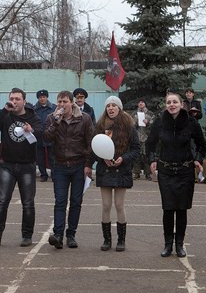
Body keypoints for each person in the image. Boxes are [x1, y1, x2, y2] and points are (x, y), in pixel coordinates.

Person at [146, 92, 205, 258]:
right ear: (166, 105)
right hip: (166, 171)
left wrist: (198, 159)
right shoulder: (160, 122)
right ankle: (167, 245)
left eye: (175, 102)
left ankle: (179, 245)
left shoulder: (191, 122)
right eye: (169, 102)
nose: (172, 105)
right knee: (168, 208)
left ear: (181, 104)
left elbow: (202, 144)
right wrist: (152, 160)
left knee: (181, 209)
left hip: (185, 171)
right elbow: (150, 144)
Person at [0, 88, 41, 247]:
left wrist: (32, 130)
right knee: (2, 201)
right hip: (7, 165)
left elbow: (42, 132)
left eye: (17, 99)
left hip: (27, 165)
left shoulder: (32, 116)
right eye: (12, 98)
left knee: (28, 203)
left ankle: (27, 236)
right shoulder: (6, 114)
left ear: (24, 101)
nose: (14, 102)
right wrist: (4, 110)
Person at [43, 90, 95, 249]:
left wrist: (88, 164)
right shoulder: (51, 118)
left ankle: (71, 235)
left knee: (76, 202)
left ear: (71, 103)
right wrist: (56, 122)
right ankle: (58, 235)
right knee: (60, 201)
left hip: (78, 165)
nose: (61, 105)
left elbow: (90, 143)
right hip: (59, 165)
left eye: (65, 102)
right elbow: (46, 138)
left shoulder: (84, 118)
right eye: (59, 101)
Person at [87, 96, 139, 252]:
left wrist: (124, 159)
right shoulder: (100, 125)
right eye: (108, 105)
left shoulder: (129, 126)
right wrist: (100, 159)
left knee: (119, 205)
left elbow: (135, 149)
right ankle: (107, 240)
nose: (110, 108)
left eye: (114, 105)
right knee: (106, 205)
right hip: (105, 171)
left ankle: (121, 240)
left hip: (122, 170)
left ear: (119, 108)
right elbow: (94, 148)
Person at [34, 89, 56, 182]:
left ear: (47, 97)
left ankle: (54, 174)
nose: (42, 99)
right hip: (39, 136)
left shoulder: (54, 108)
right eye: (40, 97)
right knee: (40, 157)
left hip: (51, 135)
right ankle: (43, 175)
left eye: (44, 97)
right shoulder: (34, 109)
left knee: (52, 157)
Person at [132, 99, 154, 180]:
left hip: (146, 138)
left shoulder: (150, 113)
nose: (141, 103)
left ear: (145, 104)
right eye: (139, 102)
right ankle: (136, 173)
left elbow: (153, 125)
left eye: (142, 102)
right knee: (136, 156)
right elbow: (131, 125)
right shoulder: (134, 114)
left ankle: (148, 174)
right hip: (137, 137)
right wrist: (136, 122)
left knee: (146, 156)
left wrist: (148, 123)